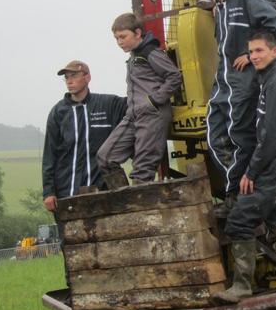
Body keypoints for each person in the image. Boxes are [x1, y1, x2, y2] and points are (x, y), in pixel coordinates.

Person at [212, 30, 276, 304]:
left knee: (239, 221)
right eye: (251, 52)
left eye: (259, 51)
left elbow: (272, 136)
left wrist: (251, 172)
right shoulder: (273, 79)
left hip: (275, 166)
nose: (254, 57)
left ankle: (241, 287)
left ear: (274, 51)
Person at [197, 0, 276, 199]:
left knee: (239, 135)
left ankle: (240, 194)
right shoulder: (220, 4)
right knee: (214, 136)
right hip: (222, 81)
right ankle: (238, 187)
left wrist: (252, 53)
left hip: (243, 80)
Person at [96, 13, 183, 184]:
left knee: (142, 172)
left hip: (153, 114)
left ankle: (136, 207)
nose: (119, 42)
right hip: (133, 115)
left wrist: (154, 100)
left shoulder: (151, 52)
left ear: (137, 33)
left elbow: (174, 77)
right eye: (116, 38)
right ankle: (123, 199)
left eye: (123, 37)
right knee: (105, 157)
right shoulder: (135, 55)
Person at [42, 61, 127, 211]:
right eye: (66, 77)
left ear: (87, 77)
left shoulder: (109, 104)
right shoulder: (58, 112)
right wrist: (48, 192)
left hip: (103, 192)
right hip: (66, 194)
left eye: (74, 75)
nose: (69, 81)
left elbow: (138, 104)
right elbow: (49, 155)